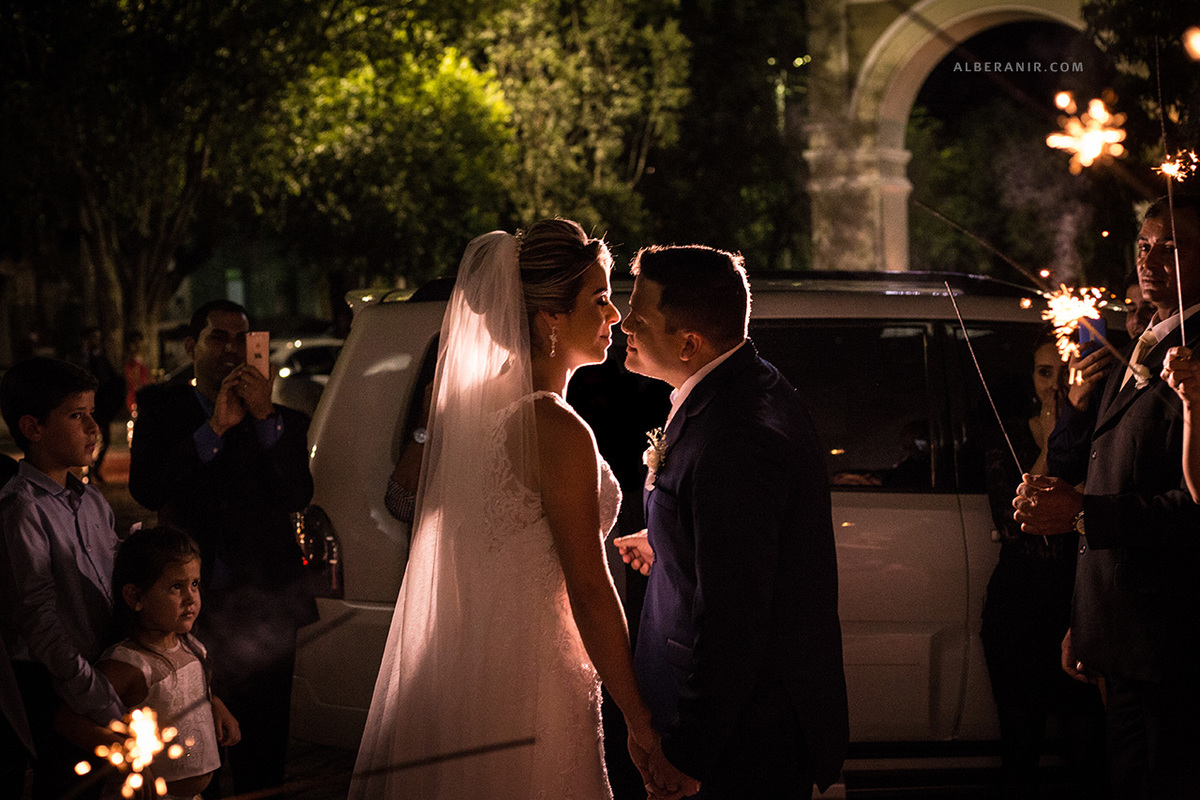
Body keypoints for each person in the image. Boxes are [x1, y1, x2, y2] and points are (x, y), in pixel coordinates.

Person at [350, 220, 680, 799]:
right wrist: (639, 716)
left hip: (460, 675)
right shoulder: (555, 428)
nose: (615, 317)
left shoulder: (474, 408)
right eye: (600, 299)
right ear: (550, 317)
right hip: (529, 681)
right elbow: (588, 585)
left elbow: (432, 513)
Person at [617, 245, 848, 799]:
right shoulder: (740, 384)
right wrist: (669, 541)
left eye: (638, 316)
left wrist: (689, 753)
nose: (624, 323)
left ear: (688, 343)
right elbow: (728, 539)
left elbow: (735, 619)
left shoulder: (738, 435)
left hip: (740, 743)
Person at [1014, 194, 1200, 798]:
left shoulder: (1194, 355)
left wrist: (1082, 512)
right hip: (1119, 637)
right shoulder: (1144, 340)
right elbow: (1109, 472)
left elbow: (1191, 505)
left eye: (1174, 246)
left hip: (1170, 641)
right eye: (1145, 245)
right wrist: (1084, 622)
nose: (1152, 259)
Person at [128, 300, 317, 795]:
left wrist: (264, 417)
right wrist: (212, 430)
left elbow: (298, 493)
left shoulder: (283, 423)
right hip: (194, 607)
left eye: (243, 340)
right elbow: (147, 488)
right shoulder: (161, 410)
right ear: (192, 347)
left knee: (265, 741)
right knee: (194, 744)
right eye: (219, 338)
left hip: (267, 606)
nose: (231, 351)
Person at [980, 331, 1105, 799]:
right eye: (1043, 372)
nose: (1054, 385)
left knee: (1086, 751)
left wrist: (1069, 428)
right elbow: (1014, 519)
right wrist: (1053, 438)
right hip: (1019, 607)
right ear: (1030, 378)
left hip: (1074, 603)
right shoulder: (1008, 432)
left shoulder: (1096, 432)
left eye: (1063, 371)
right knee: (1020, 747)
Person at [0, 357, 125, 799]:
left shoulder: (92, 501)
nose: (94, 427)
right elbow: (39, 621)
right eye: (77, 415)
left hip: (101, 673)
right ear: (33, 427)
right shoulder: (23, 510)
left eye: (93, 413)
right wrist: (96, 695)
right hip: (56, 688)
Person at [90, 526, 240, 799]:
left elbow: (188, 693)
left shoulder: (192, 646)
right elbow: (69, 718)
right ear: (136, 597)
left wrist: (214, 704)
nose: (191, 598)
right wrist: (126, 757)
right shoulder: (129, 665)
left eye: (194, 584)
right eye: (176, 587)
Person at [70, 328, 125, 483]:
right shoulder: (78, 358)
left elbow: (110, 379)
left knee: (104, 439)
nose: (96, 341)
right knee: (83, 440)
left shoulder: (101, 358)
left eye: (97, 338)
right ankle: (86, 471)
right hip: (82, 406)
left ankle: (94, 469)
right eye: (93, 337)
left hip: (101, 406)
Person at [123, 332, 152, 418]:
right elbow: (135, 383)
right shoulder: (131, 364)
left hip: (144, 395)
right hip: (136, 398)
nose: (138, 345)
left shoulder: (142, 360)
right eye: (135, 342)